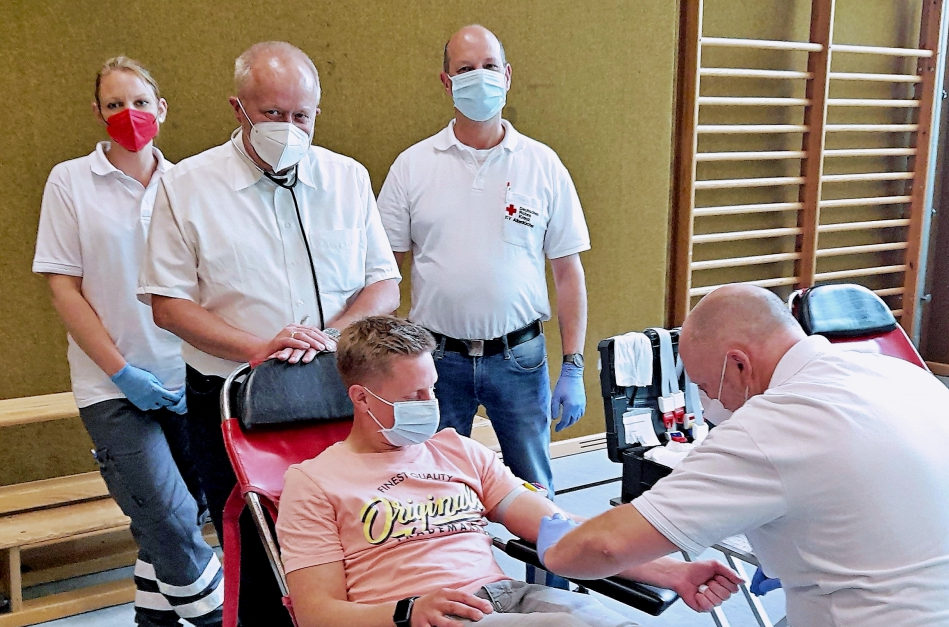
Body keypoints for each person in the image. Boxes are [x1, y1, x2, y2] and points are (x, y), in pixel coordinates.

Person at [538, 285, 949, 627]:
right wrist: (671, 569)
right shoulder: (905, 376)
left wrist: (547, 539)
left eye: (702, 386)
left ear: (738, 364)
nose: (708, 403)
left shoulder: (773, 423)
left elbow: (600, 549)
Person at [138, 42, 400, 625]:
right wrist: (258, 349)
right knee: (259, 552)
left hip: (337, 393)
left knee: (348, 535)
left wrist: (330, 336)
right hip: (232, 399)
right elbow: (168, 304)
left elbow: (384, 286)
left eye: (300, 115)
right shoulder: (187, 186)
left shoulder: (348, 178)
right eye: (272, 114)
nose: (288, 127)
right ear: (238, 108)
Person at [276, 316, 739, 627]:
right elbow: (317, 612)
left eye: (432, 390)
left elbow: (561, 532)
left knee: (600, 620)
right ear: (360, 398)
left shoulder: (456, 450)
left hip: (507, 597)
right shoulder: (314, 482)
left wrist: (675, 573)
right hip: (426, 616)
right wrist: (407, 610)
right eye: (413, 396)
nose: (430, 406)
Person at [33, 57, 222, 626]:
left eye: (140, 102)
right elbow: (65, 289)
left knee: (178, 523)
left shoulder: (189, 184)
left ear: (161, 110)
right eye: (115, 104)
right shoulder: (71, 181)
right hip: (111, 385)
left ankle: (154, 623)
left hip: (187, 379)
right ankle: (225, 617)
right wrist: (120, 372)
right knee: (165, 516)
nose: (129, 114)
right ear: (98, 113)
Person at [378, 25, 590, 495]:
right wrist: (388, 366)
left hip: (519, 359)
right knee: (432, 491)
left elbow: (568, 273)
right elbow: (383, 276)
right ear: (446, 80)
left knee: (535, 492)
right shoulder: (412, 166)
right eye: (465, 69)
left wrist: (573, 366)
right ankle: (455, 572)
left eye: (489, 67)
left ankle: (546, 572)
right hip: (436, 360)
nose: (480, 78)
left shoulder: (543, 165)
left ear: (508, 75)